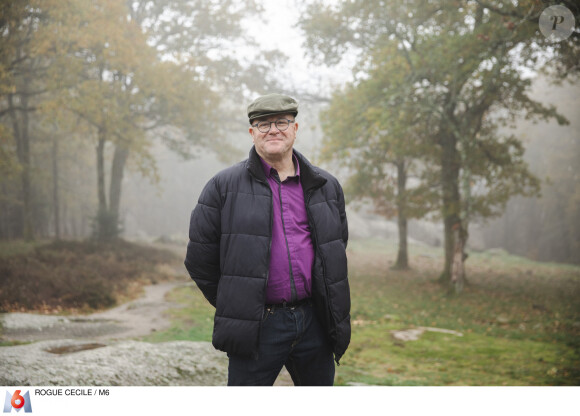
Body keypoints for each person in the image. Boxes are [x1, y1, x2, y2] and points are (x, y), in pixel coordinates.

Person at [184, 93, 350, 386]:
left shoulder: (327, 186)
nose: (273, 130)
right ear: (252, 133)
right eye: (263, 124)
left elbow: (335, 247)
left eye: (282, 122)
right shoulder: (222, 187)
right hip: (258, 326)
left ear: (295, 129)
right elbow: (199, 260)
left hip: (315, 323)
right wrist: (240, 303)